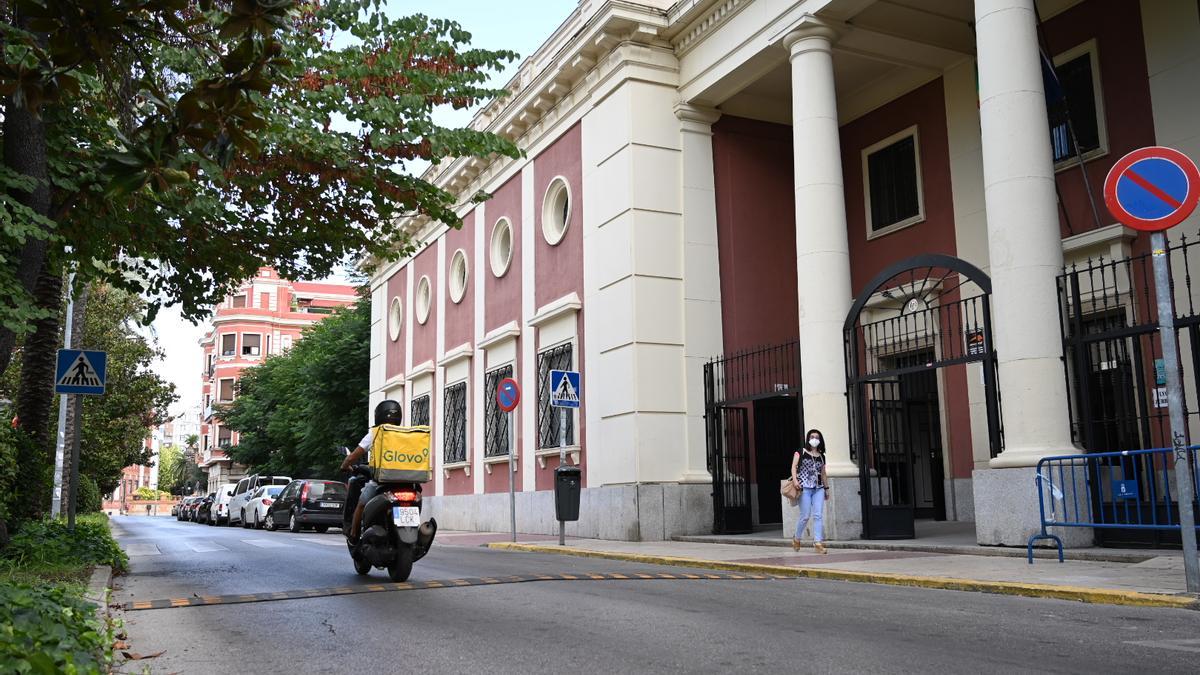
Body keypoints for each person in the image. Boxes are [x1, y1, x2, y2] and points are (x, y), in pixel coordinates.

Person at [339, 399, 404, 541]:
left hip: (383, 481)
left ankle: (354, 535)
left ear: (379, 416)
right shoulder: (405, 433)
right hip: (406, 482)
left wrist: (344, 466)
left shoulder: (375, 434)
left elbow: (353, 456)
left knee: (361, 504)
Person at [791, 428, 830, 554]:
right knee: (805, 516)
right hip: (804, 488)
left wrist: (826, 488)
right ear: (808, 439)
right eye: (812, 437)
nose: (814, 439)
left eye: (817, 437)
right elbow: (794, 467)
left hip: (818, 489)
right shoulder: (800, 452)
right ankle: (796, 538)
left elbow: (823, 474)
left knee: (818, 515)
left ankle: (818, 542)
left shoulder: (821, 456)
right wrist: (796, 481)